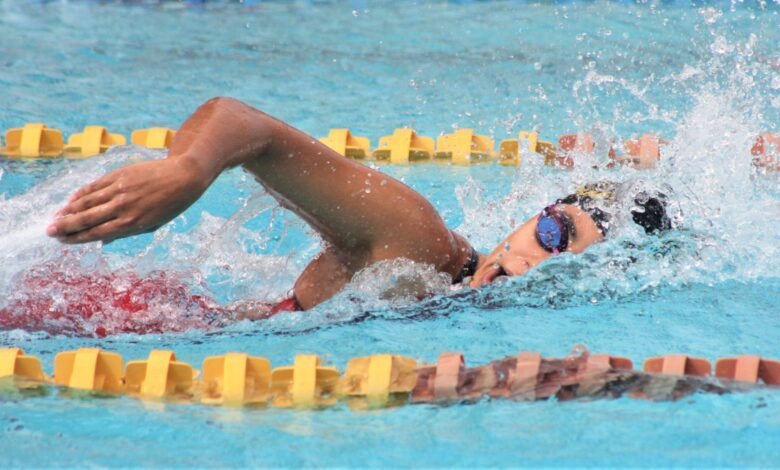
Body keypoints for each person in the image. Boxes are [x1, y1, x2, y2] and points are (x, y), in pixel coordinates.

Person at [46, 97, 671, 317]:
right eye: (553, 231)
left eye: (569, 261)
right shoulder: (420, 244)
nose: (538, 262)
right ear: (531, 213)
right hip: (110, 318)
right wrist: (186, 170)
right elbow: (243, 124)